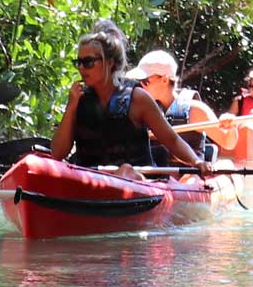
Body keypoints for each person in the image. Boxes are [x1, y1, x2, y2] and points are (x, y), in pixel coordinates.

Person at [50, 23, 211, 175]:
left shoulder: (137, 98)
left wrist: (196, 161)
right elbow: (58, 153)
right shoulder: (79, 99)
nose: (81, 68)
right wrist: (71, 108)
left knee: (126, 170)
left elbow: (172, 140)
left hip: (137, 181)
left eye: (88, 62)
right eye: (78, 62)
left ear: (110, 62)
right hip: (90, 181)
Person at [125, 49, 238, 163]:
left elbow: (228, 143)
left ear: (164, 80)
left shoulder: (195, 110)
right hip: (156, 174)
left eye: (145, 81)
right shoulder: (144, 108)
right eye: (139, 82)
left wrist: (231, 127)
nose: (140, 86)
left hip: (188, 174)